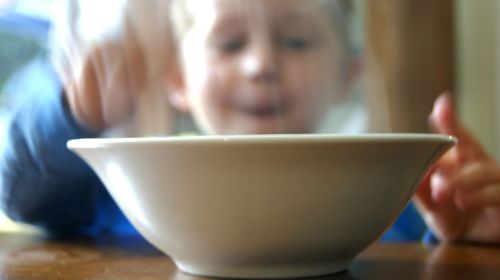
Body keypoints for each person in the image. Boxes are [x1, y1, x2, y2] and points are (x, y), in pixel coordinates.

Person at [1, 0, 499, 244]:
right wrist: (71, 110)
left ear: (348, 76)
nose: (261, 64)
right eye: (229, 43)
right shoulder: (133, 191)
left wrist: (463, 231)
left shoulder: (392, 204)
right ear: (177, 76)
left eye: (298, 41)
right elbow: (21, 196)